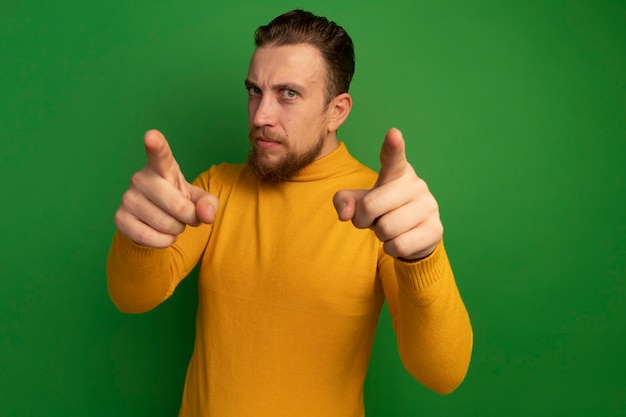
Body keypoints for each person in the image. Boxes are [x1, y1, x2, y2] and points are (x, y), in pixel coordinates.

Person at [107, 9, 472, 417]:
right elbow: (132, 296)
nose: (261, 116)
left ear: (337, 111)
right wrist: (139, 237)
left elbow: (443, 373)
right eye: (254, 91)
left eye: (288, 94)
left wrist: (424, 259)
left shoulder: (381, 208)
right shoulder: (213, 190)